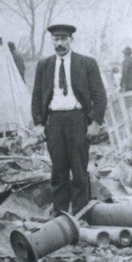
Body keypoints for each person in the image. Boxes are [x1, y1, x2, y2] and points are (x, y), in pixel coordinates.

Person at [31, 23, 107, 216]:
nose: (60, 43)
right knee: (58, 170)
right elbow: (37, 96)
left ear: (71, 40)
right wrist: (39, 123)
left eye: (64, 39)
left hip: (78, 119)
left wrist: (95, 122)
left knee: (79, 170)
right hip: (54, 121)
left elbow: (100, 96)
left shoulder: (87, 63)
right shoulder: (44, 65)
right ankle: (61, 216)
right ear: (52, 41)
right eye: (56, 39)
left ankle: (81, 215)